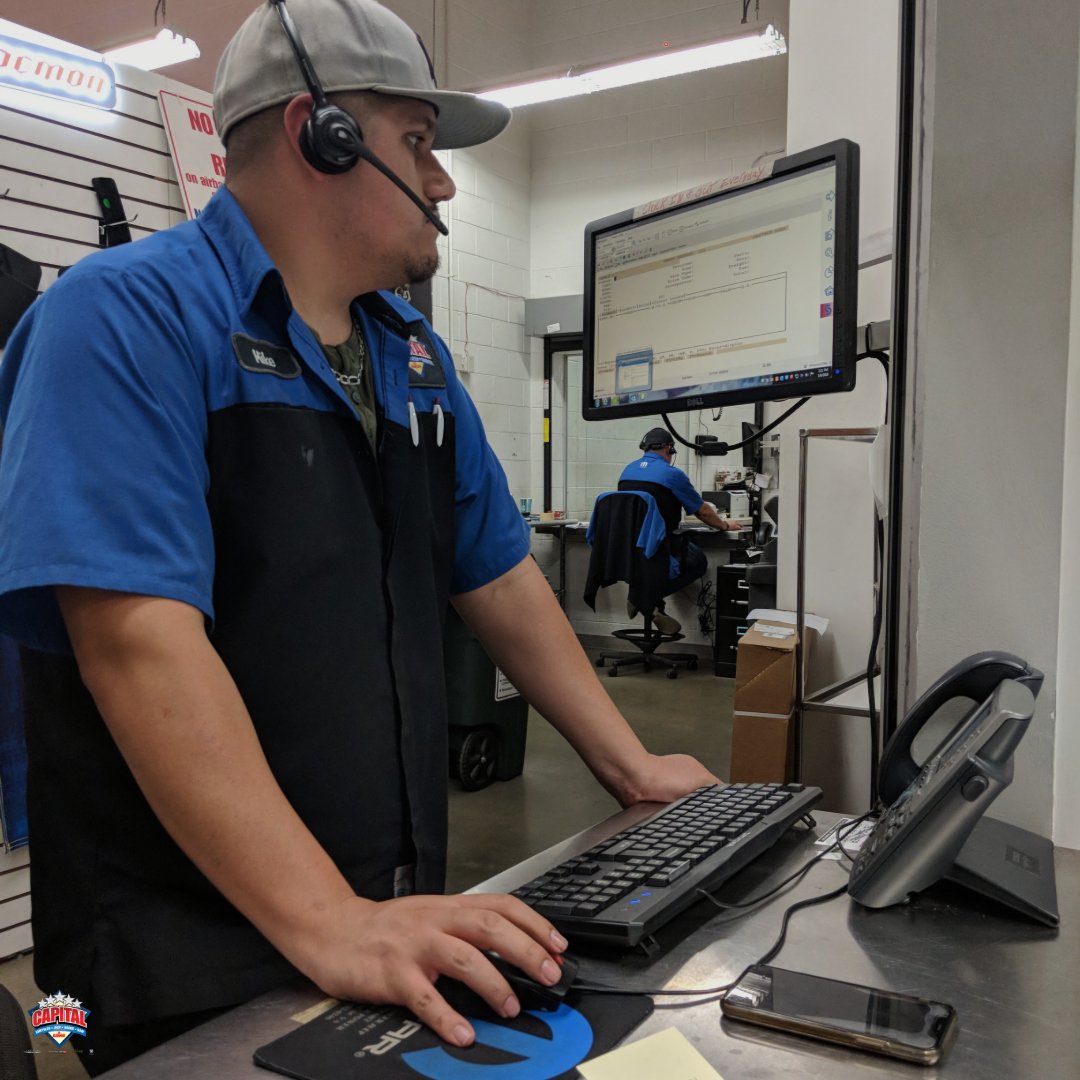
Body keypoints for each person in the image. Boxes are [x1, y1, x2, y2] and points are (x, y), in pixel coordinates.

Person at [0, 0, 718, 1071]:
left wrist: (630, 764)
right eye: (418, 144)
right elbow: (136, 642)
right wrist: (326, 920)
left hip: (382, 910)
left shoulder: (410, 354)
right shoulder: (124, 319)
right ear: (318, 134)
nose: (442, 184)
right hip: (186, 944)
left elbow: (501, 576)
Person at [618, 426, 742, 633]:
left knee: (665, 560)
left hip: (629, 549)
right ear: (669, 450)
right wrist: (724, 524)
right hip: (658, 545)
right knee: (698, 562)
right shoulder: (672, 474)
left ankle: (640, 595)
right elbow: (702, 512)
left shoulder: (626, 472)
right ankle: (646, 598)